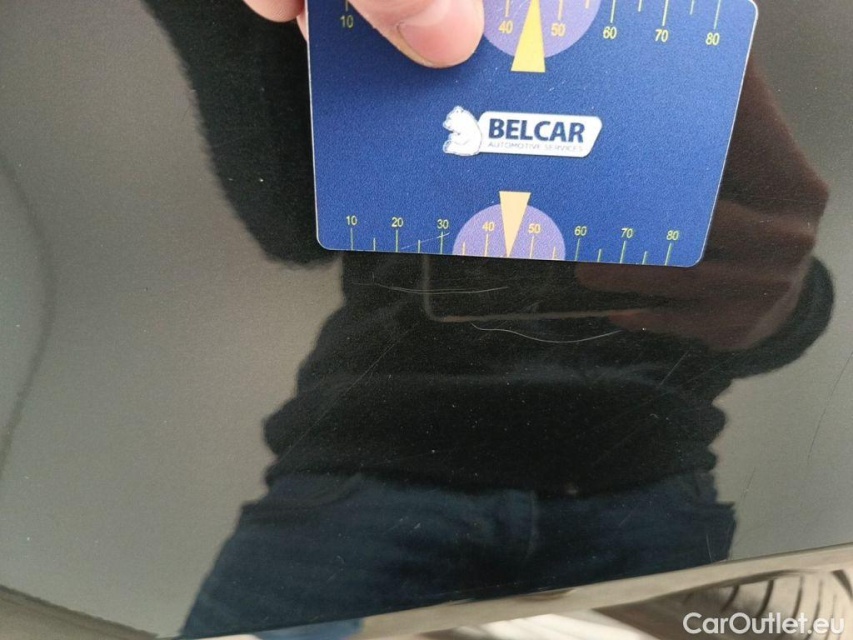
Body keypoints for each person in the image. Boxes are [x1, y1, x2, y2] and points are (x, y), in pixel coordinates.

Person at [142, 1, 834, 638]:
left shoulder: (694, 28)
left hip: (612, 473)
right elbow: (297, 226)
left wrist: (786, 301)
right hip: (395, 458)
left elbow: (764, 272)